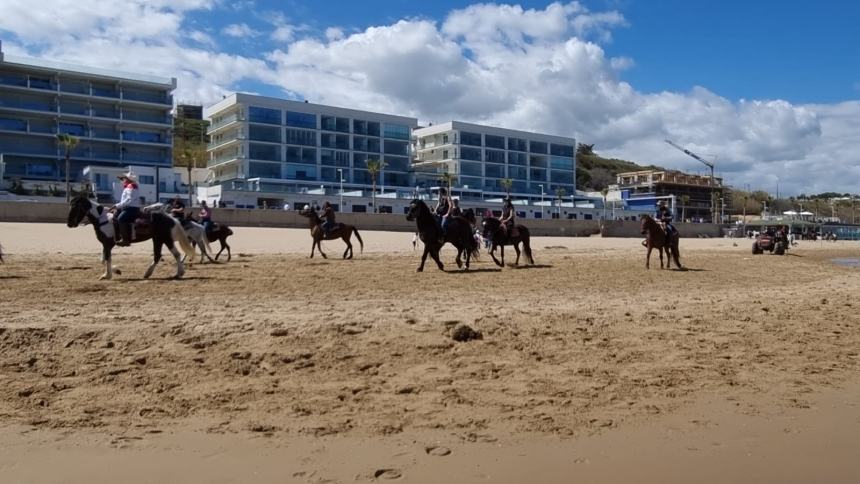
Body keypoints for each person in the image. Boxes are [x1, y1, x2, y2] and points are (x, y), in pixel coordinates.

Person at [112, 172, 141, 246]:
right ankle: (117, 236)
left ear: (127, 179)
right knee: (114, 217)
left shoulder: (131, 186)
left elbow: (129, 200)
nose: (122, 180)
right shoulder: (129, 186)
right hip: (128, 207)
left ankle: (125, 240)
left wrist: (117, 205)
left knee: (120, 219)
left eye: (123, 179)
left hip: (131, 209)